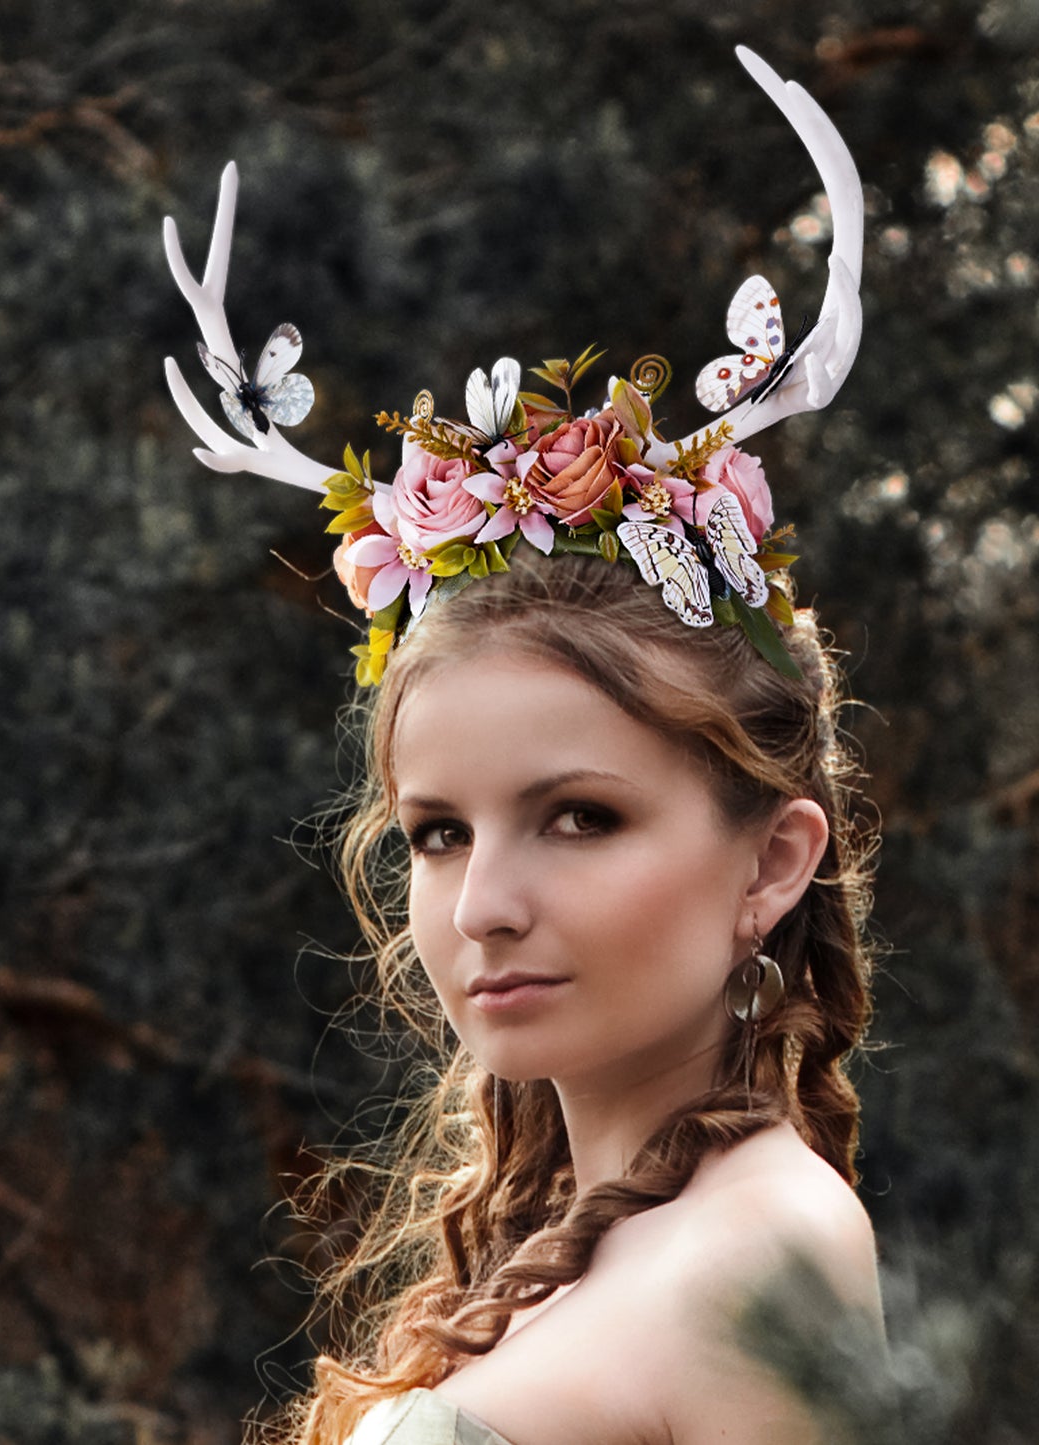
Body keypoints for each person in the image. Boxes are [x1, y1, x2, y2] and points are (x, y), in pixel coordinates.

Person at [163, 47, 882, 1445]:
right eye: (438, 831)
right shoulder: (555, 1240)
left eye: (580, 817)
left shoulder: (767, 1252)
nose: (482, 904)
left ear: (771, 861)